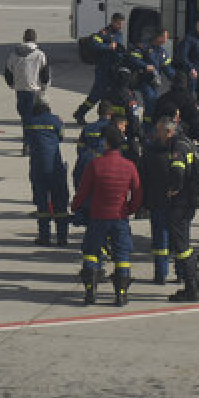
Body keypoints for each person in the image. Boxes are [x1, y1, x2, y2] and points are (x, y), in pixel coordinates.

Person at [73, 125, 144, 306]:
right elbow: (137, 193)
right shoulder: (129, 167)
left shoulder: (94, 165)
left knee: (91, 252)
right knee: (122, 255)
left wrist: (75, 206)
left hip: (97, 217)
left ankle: (90, 290)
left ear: (106, 143)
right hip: (120, 218)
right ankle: (121, 293)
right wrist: (130, 209)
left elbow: (83, 191)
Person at [141, 116, 199, 302]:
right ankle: (197, 283)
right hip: (188, 202)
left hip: (180, 204)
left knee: (181, 247)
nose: (156, 134)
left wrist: (173, 189)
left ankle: (191, 289)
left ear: (168, 131)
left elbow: (178, 170)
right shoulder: (186, 142)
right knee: (185, 244)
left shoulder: (177, 146)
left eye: (159, 131)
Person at [23, 99, 68, 245]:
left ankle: (44, 237)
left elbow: (28, 140)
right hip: (55, 168)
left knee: (42, 204)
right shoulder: (55, 120)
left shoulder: (29, 122)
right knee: (60, 203)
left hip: (38, 168)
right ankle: (62, 237)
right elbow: (61, 137)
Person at [73, 13, 126, 124]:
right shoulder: (104, 33)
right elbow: (93, 43)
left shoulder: (119, 34)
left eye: (122, 24)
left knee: (112, 95)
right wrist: (107, 47)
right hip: (103, 70)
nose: (121, 26)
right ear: (113, 21)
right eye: (119, 24)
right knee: (96, 94)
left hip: (114, 69)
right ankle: (80, 113)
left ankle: (108, 117)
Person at [4, 29, 51, 148]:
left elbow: (8, 71)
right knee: (33, 117)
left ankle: (27, 140)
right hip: (34, 90)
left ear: (23, 38)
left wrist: (11, 84)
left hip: (20, 90)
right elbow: (45, 74)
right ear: (35, 39)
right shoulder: (39, 54)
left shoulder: (14, 54)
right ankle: (29, 141)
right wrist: (44, 87)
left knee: (24, 116)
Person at [127, 27, 173, 119]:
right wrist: (145, 66)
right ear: (158, 37)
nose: (166, 40)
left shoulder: (161, 52)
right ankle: (147, 126)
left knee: (153, 104)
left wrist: (178, 78)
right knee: (151, 102)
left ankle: (148, 123)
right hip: (143, 80)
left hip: (153, 82)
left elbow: (168, 69)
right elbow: (133, 58)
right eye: (165, 37)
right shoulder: (143, 46)